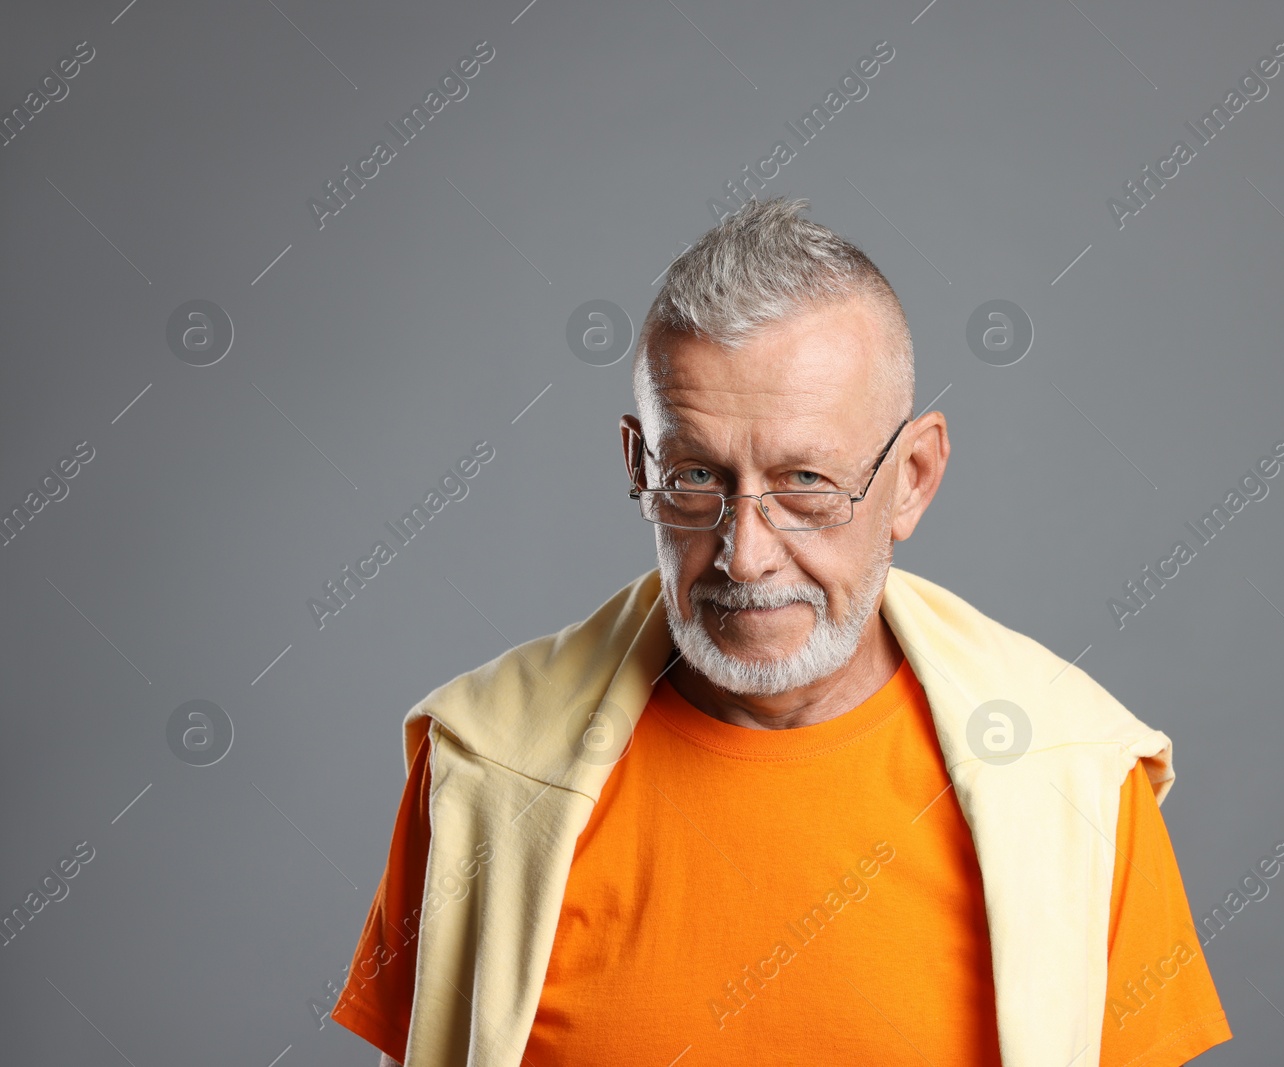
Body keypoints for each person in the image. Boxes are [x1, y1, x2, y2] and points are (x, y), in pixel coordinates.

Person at [330, 196, 1232, 1066]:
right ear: (638, 463)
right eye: (694, 477)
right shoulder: (485, 767)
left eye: (805, 479)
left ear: (912, 477)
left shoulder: (1072, 775)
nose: (746, 553)